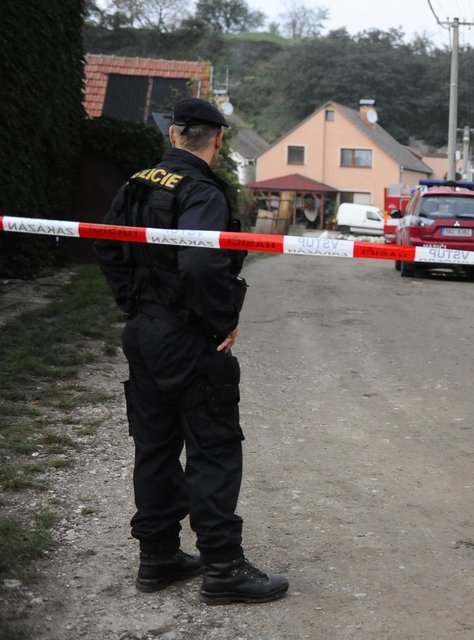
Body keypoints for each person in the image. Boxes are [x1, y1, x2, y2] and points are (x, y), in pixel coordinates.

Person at [94, 97, 288, 603]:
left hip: (143, 333)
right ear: (217, 140)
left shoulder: (137, 182)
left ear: (174, 135)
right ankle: (223, 567)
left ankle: (157, 558)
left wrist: (133, 303)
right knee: (213, 448)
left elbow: (105, 245)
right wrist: (220, 321)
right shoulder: (203, 191)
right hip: (187, 338)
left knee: (154, 447)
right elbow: (202, 267)